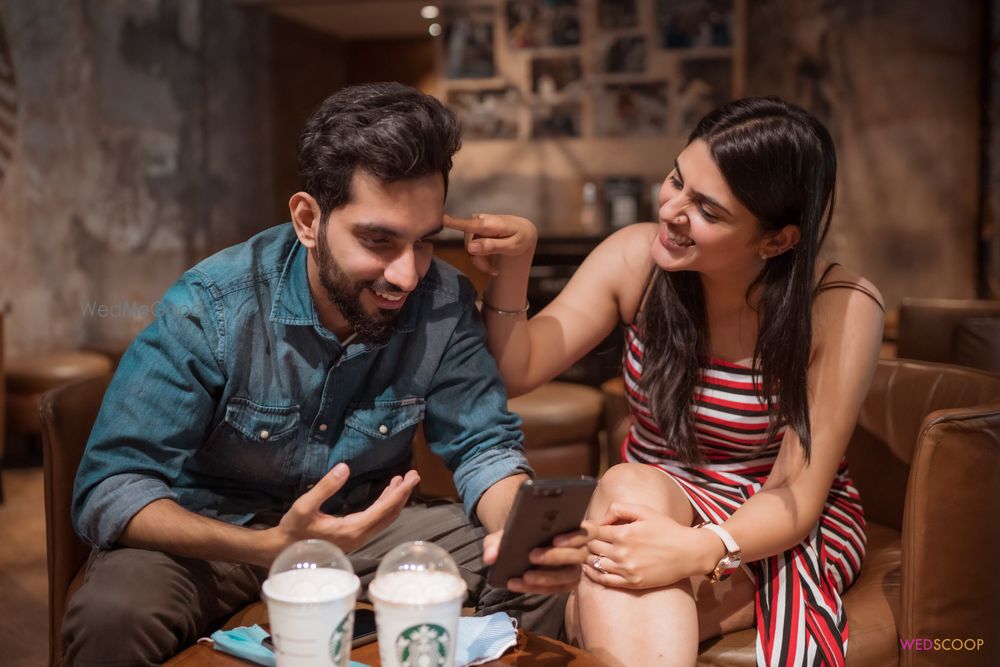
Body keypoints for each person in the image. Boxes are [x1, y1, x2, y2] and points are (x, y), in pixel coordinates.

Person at [66, 82, 588, 666]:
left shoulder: (442, 301)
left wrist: (524, 534)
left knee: (537, 576)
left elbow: (483, 447)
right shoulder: (212, 304)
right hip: (218, 534)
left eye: (424, 242)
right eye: (379, 240)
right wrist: (267, 546)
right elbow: (110, 488)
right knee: (112, 613)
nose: (408, 275)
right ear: (308, 219)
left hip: (367, 528)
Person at [445, 97, 884, 666]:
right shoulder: (635, 259)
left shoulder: (839, 306)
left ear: (776, 240)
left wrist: (697, 549)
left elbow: (797, 494)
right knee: (630, 492)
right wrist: (514, 268)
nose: (673, 209)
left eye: (708, 209)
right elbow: (514, 372)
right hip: (649, 499)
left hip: (774, 519)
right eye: (676, 180)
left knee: (605, 586)